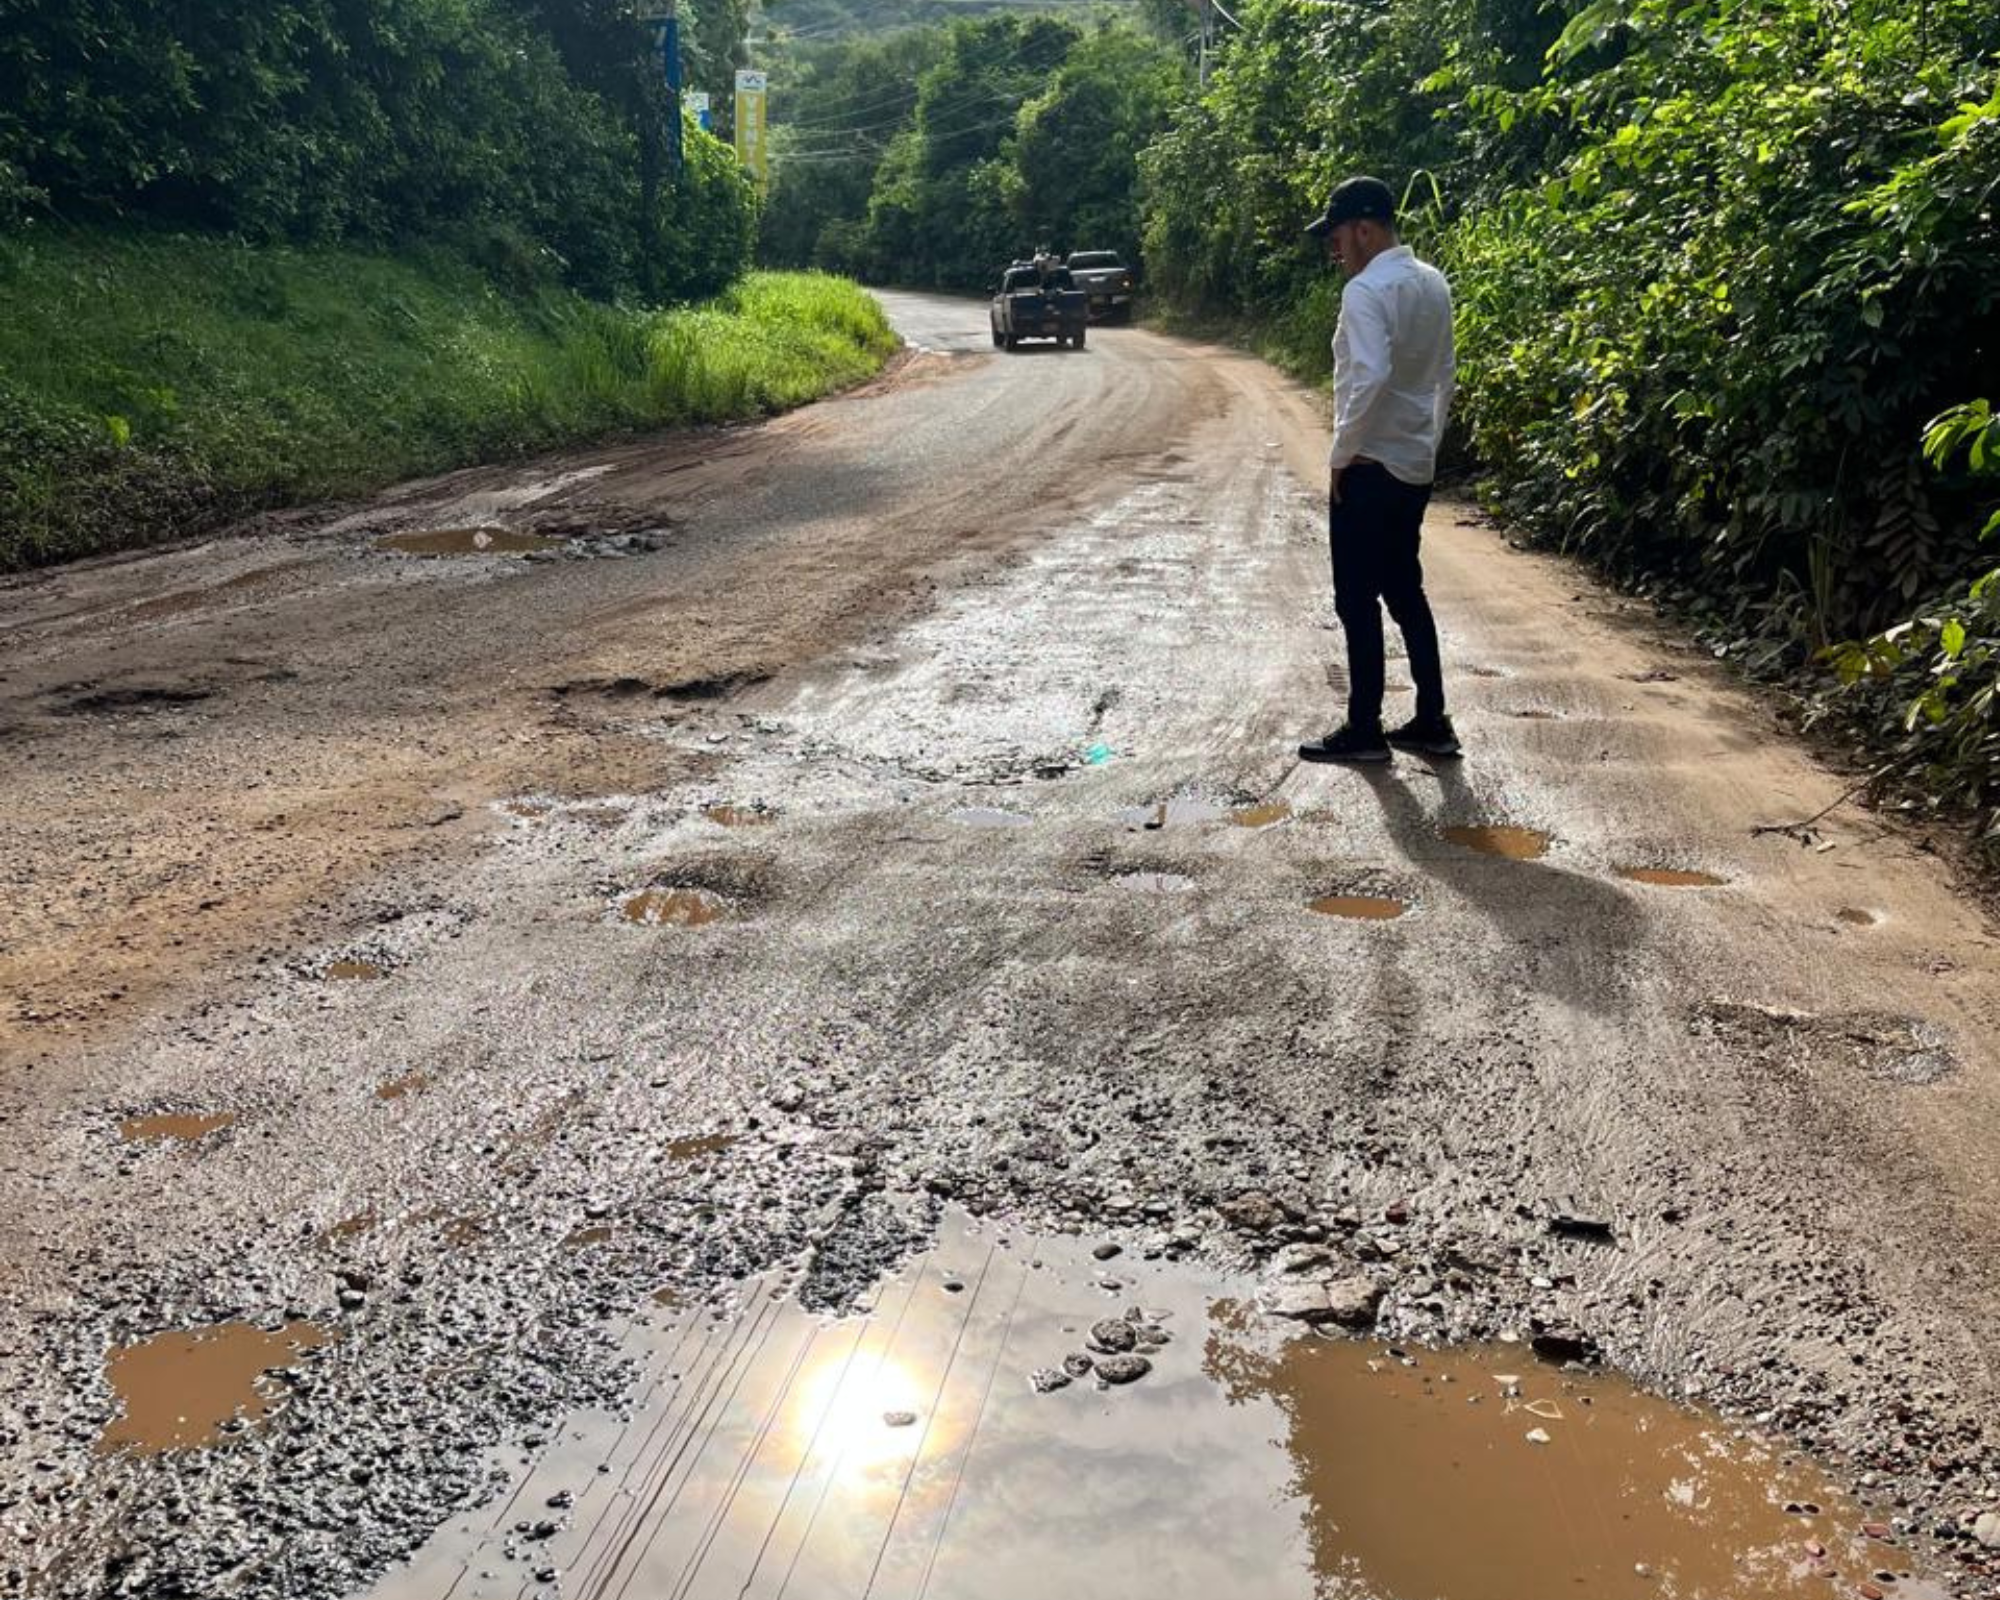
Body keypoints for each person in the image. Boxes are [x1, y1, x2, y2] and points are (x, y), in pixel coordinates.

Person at [1296, 175, 1460, 764]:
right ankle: (1431, 721)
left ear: (1364, 228)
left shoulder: (1366, 292)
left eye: (1337, 237)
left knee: (1356, 600)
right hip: (1413, 466)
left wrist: (1341, 456)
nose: (1334, 250)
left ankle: (1365, 729)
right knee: (1405, 591)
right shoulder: (1431, 283)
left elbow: (1368, 377)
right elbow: (1446, 373)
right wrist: (1426, 445)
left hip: (1368, 468)